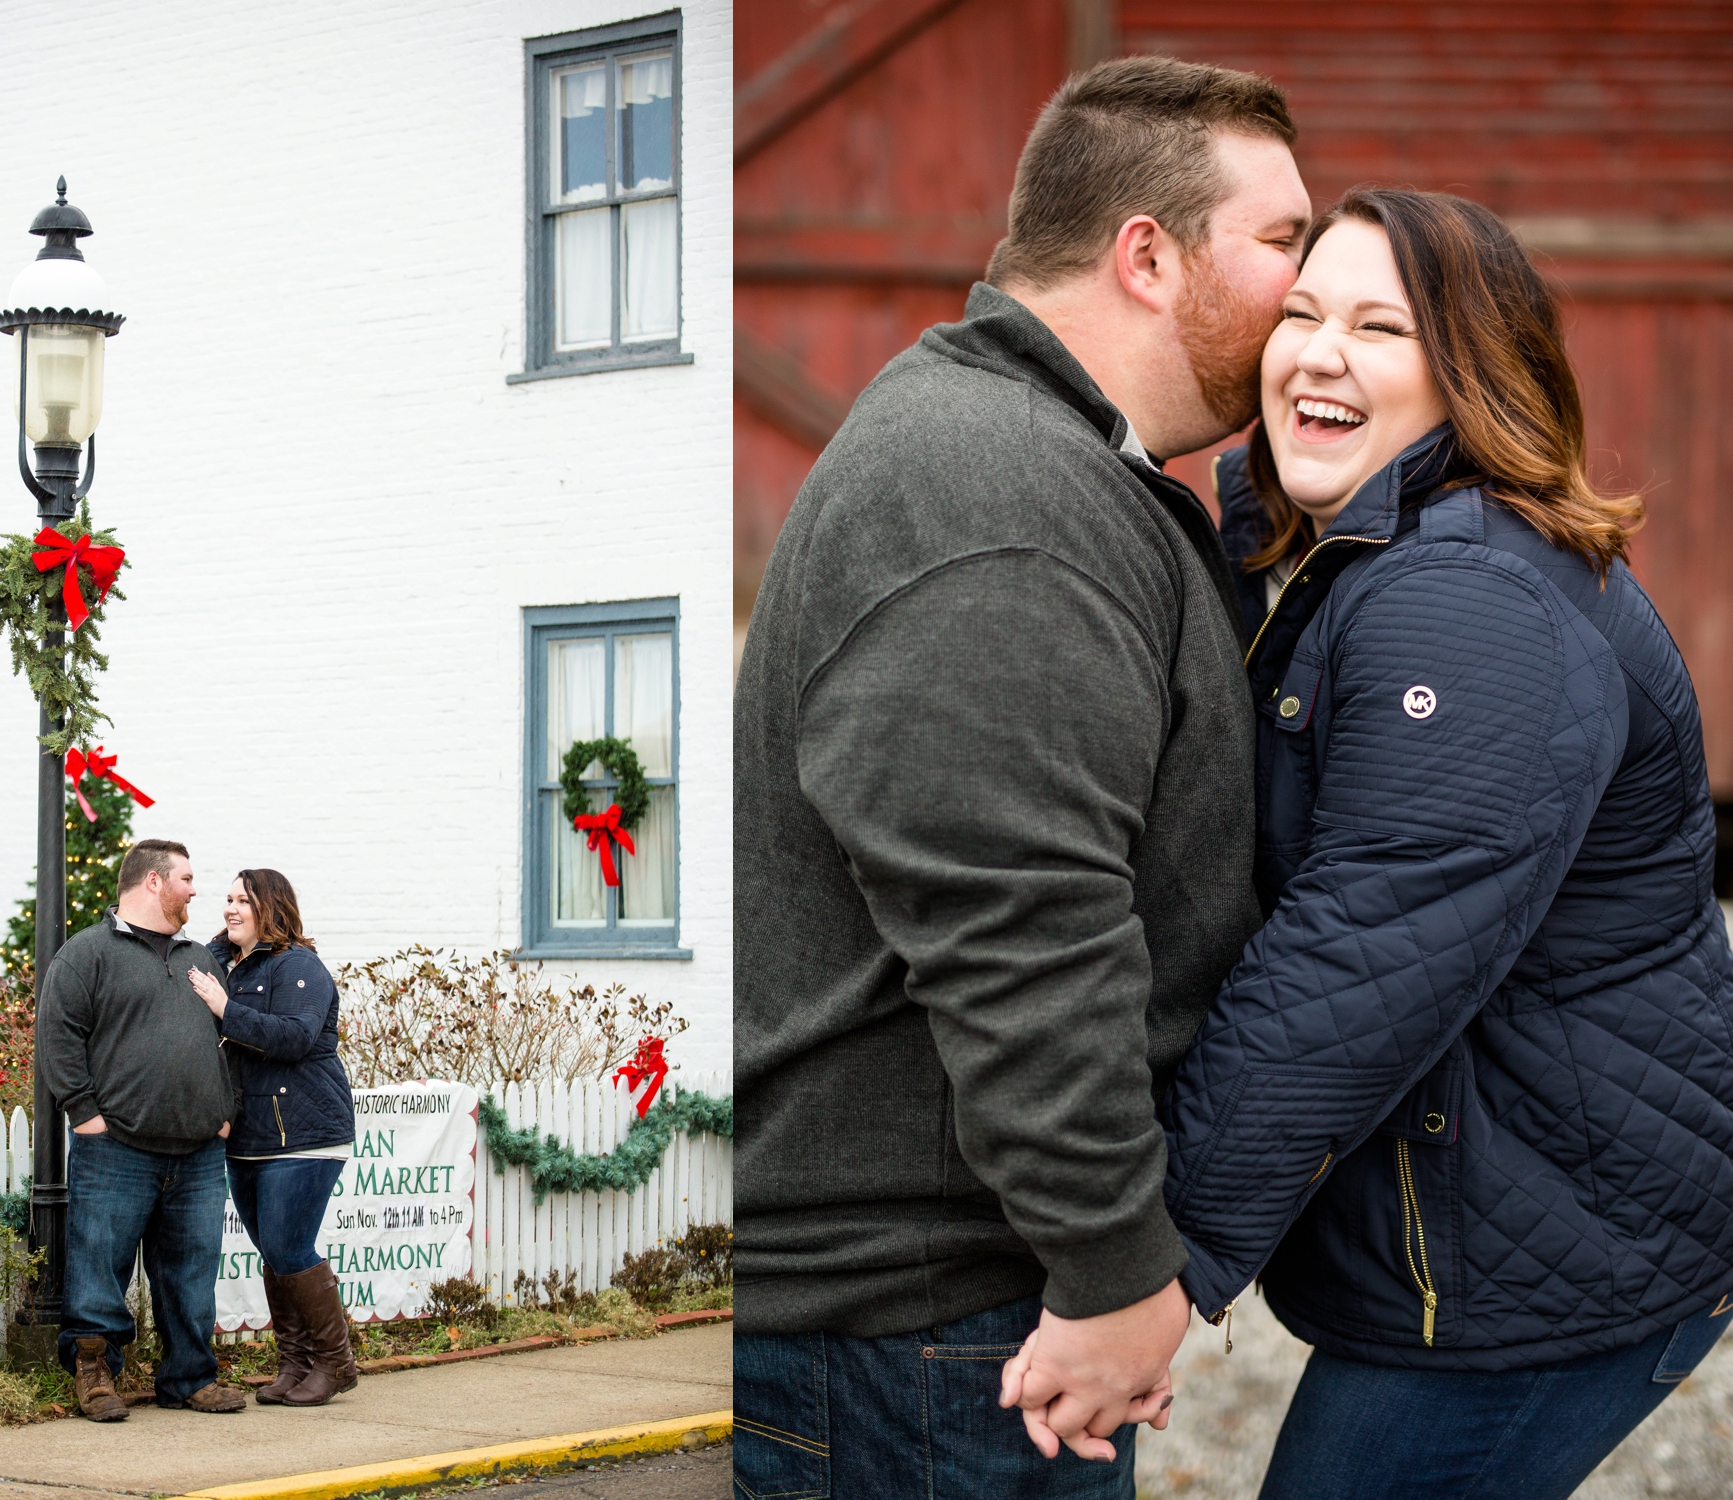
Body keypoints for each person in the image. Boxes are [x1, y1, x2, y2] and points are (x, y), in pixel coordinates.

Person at [1045, 188, 1733, 1497]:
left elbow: (1353, 966)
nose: (1319, 349)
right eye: (1300, 313)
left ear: (1472, 376)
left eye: (1379, 326)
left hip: (1552, 1251)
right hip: (1521, 1212)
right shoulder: (1360, 550)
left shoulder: (1467, 599)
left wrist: (1158, 1266)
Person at [732, 56, 1311, 1497]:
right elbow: (1020, 923)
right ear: (1147, 256)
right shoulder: (995, 494)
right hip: (916, 1336)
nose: (1309, 289)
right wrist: (1117, 1270)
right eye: (1286, 242)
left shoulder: (1041, 459)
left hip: (935, 1317)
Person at [37, 838, 246, 1420]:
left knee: (192, 1274)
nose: (194, 889)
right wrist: (85, 1114)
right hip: (117, 1149)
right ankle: (96, 1376)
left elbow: (224, 1040)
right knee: (99, 1268)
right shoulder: (86, 955)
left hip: (200, 1151)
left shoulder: (199, 960)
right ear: (153, 882)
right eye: (185, 878)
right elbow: (58, 1037)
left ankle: (188, 1379)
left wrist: (224, 1111)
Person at [185, 869, 358, 1406]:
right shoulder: (235, 965)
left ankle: (335, 1363)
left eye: (244, 900)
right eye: (228, 899)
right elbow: (192, 962)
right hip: (251, 1137)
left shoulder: (298, 966)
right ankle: (293, 1365)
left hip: (304, 1133)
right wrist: (226, 947)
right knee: (273, 1252)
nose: (230, 908)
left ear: (272, 907)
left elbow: (295, 1036)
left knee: (288, 1246)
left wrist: (224, 1009)